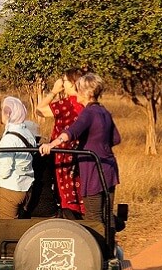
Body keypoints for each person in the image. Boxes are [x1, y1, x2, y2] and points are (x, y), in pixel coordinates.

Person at [40, 72, 120, 237]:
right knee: (107, 213)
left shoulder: (88, 113)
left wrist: (51, 144)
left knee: (93, 216)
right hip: (110, 168)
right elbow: (116, 139)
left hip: (92, 169)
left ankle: (98, 255)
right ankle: (110, 249)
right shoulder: (104, 111)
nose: (78, 92)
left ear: (88, 93)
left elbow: (70, 133)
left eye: (80, 89)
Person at [37, 69, 85, 219]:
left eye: (64, 81)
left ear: (72, 84)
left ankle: (70, 220)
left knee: (65, 193)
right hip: (82, 154)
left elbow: (40, 110)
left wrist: (53, 91)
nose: (62, 84)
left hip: (63, 154)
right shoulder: (87, 103)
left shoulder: (68, 103)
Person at [0, 96, 35, 218]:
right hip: (25, 188)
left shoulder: (8, 139)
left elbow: (4, 172)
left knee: (4, 231)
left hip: (8, 189)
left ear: (8, 114)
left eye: (3, 110)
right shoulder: (28, 134)